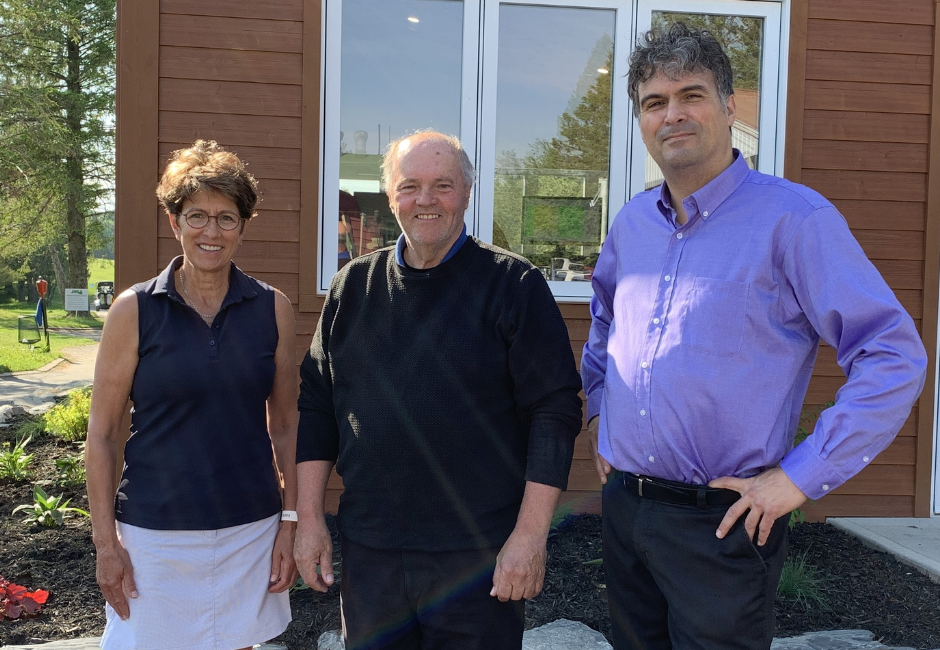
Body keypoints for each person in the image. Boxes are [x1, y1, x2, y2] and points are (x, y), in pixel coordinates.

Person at [581, 23, 928, 650]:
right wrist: (602, 409)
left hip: (725, 523)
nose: (672, 115)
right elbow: (605, 319)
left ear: (729, 106)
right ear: (641, 121)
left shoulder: (795, 220)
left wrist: (799, 477)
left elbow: (892, 354)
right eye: (654, 102)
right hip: (627, 511)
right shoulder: (632, 224)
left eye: (691, 95)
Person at [294, 131, 583, 650]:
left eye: (442, 185)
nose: (425, 200)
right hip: (372, 555)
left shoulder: (513, 285)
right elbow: (317, 406)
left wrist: (530, 535)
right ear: (391, 197)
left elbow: (554, 413)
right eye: (410, 186)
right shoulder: (352, 287)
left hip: (477, 561)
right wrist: (309, 519)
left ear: (466, 193)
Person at [86, 140, 299, 650]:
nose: (212, 231)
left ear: (243, 226)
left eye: (227, 218)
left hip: (250, 528)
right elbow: (103, 435)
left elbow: (287, 425)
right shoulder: (133, 311)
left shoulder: (273, 309)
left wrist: (290, 522)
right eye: (197, 216)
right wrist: (105, 543)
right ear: (174, 221)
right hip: (153, 536)